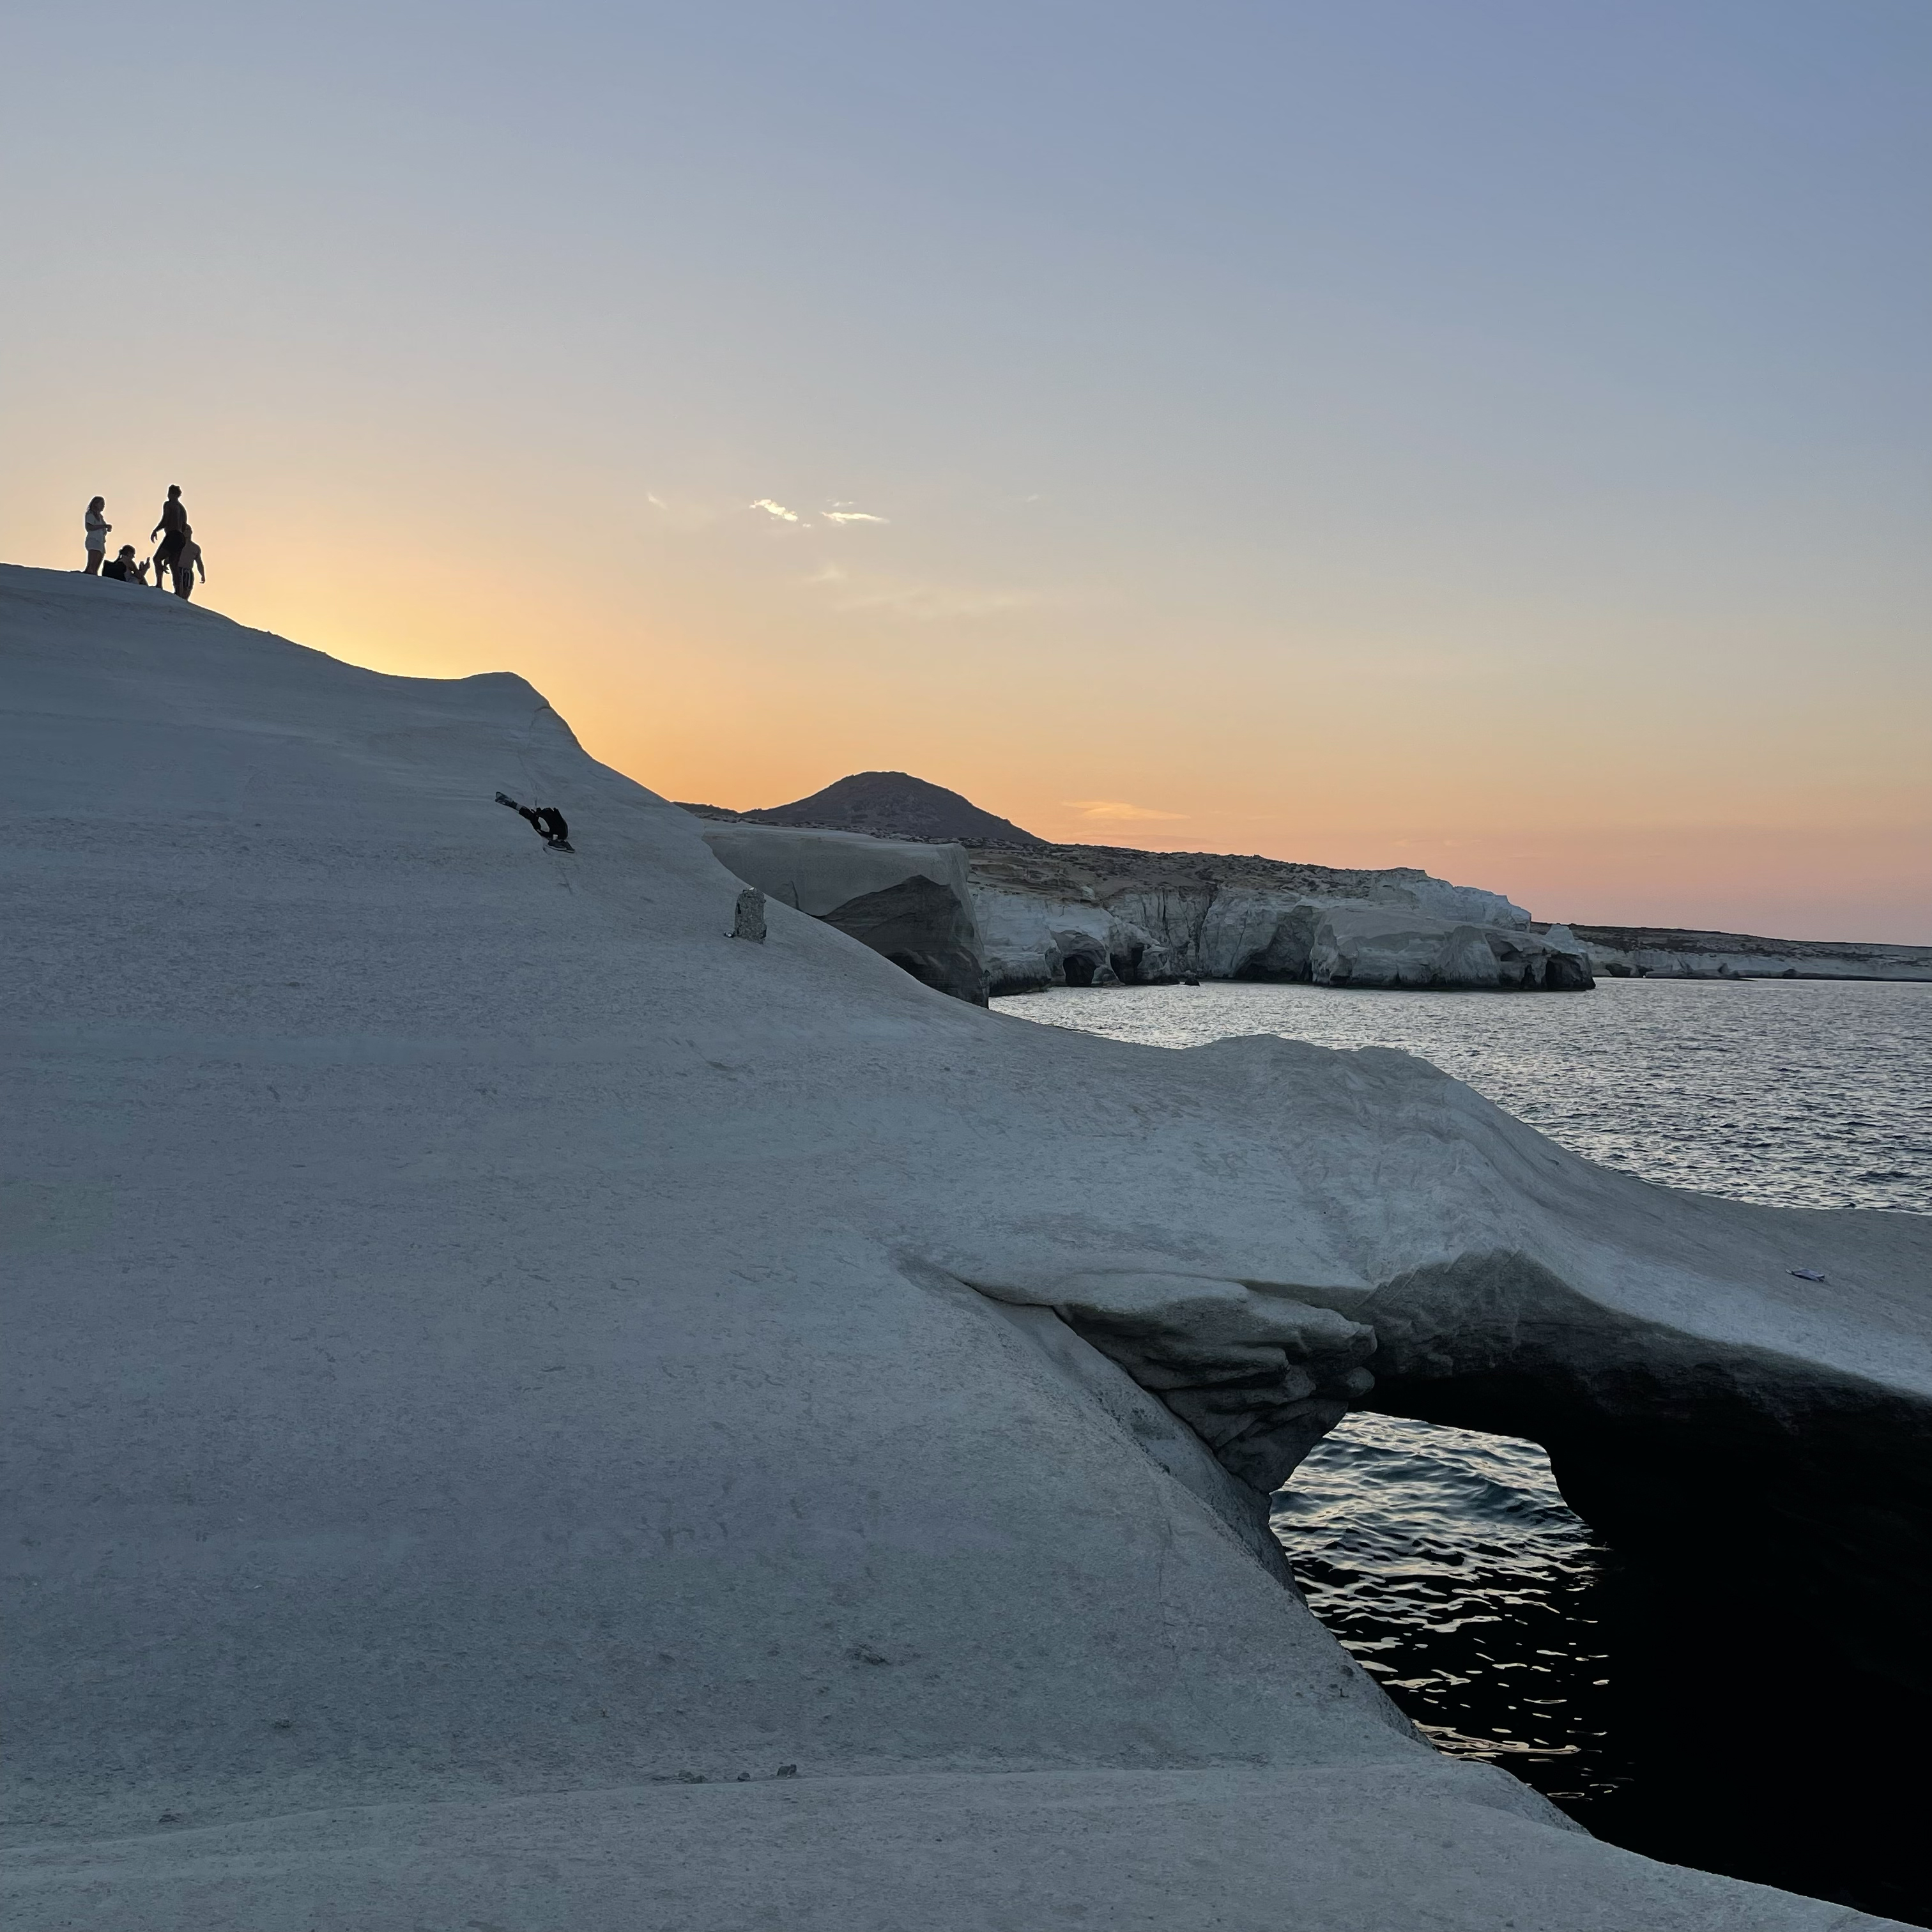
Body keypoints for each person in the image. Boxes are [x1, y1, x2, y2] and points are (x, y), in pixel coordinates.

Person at [494, 792, 573, 849]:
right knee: (527, 812)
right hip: (536, 818)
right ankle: (510, 802)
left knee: (527, 812)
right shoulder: (561, 832)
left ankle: (509, 802)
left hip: (536, 818)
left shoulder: (559, 832)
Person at [150, 486, 188, 589]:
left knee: (157, 559)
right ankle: (179, 590)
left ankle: (159, 584)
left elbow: (165, 520)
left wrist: (156, 530)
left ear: (171, 494)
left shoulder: (169, 504)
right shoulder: (182, 509)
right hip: (181, 537)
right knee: (174, 564)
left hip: (173, 535)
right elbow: (184, 526)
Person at [171, 530, 206, 601]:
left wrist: (202, 574)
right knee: (179, 590)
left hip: (188, 570)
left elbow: (199, 562)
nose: (186, 532)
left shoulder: (195, 548)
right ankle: (178, 603)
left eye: (187, 530)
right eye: (184, 530)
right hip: (178, 569)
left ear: (191, 532)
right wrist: (165, 563)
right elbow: (170, 555)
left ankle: (183, 603)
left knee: (187, 591)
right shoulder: (177, 545)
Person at [84, 498, 110, 574]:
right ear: (95, 504)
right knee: (92, 565)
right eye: (101, 504)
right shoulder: (90, 514)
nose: (103, 506)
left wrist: (106, 528)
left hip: (100, 541)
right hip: (94, 539)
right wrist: (104, 526)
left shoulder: (100, 517)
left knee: (97, 565)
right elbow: (90, 527)